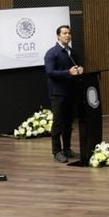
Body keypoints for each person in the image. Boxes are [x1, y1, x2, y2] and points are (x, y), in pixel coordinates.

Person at [42, 25, 86, 162]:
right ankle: (56, 151)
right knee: (58, 123)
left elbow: (74, 69)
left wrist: (79, 70)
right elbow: (50, 72)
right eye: (64, 33)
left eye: (69, 33)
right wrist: (68, 72)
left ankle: (67, 149)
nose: (68, 35)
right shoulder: (52, 53)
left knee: (68, 123)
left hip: (71, 92)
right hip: (58, 93)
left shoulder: (72, 52)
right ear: (58, 36)